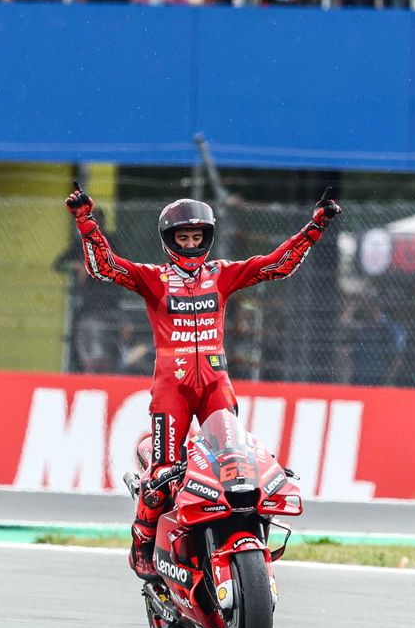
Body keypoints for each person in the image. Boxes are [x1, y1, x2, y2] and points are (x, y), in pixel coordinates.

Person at [64, 185, 340, 580]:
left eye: (197, 237)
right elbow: (105, 267)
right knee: (162, 473)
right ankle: (142, 541)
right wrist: (85, 221)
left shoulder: (222, 274)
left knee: (236, 467)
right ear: (169, 241)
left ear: (207, 238)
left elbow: (276, 265)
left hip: (216, 386)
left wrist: (316, 226)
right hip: (170, 389)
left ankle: (238, 544)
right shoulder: (154, 278)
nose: (191, 245)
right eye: (183, 238)